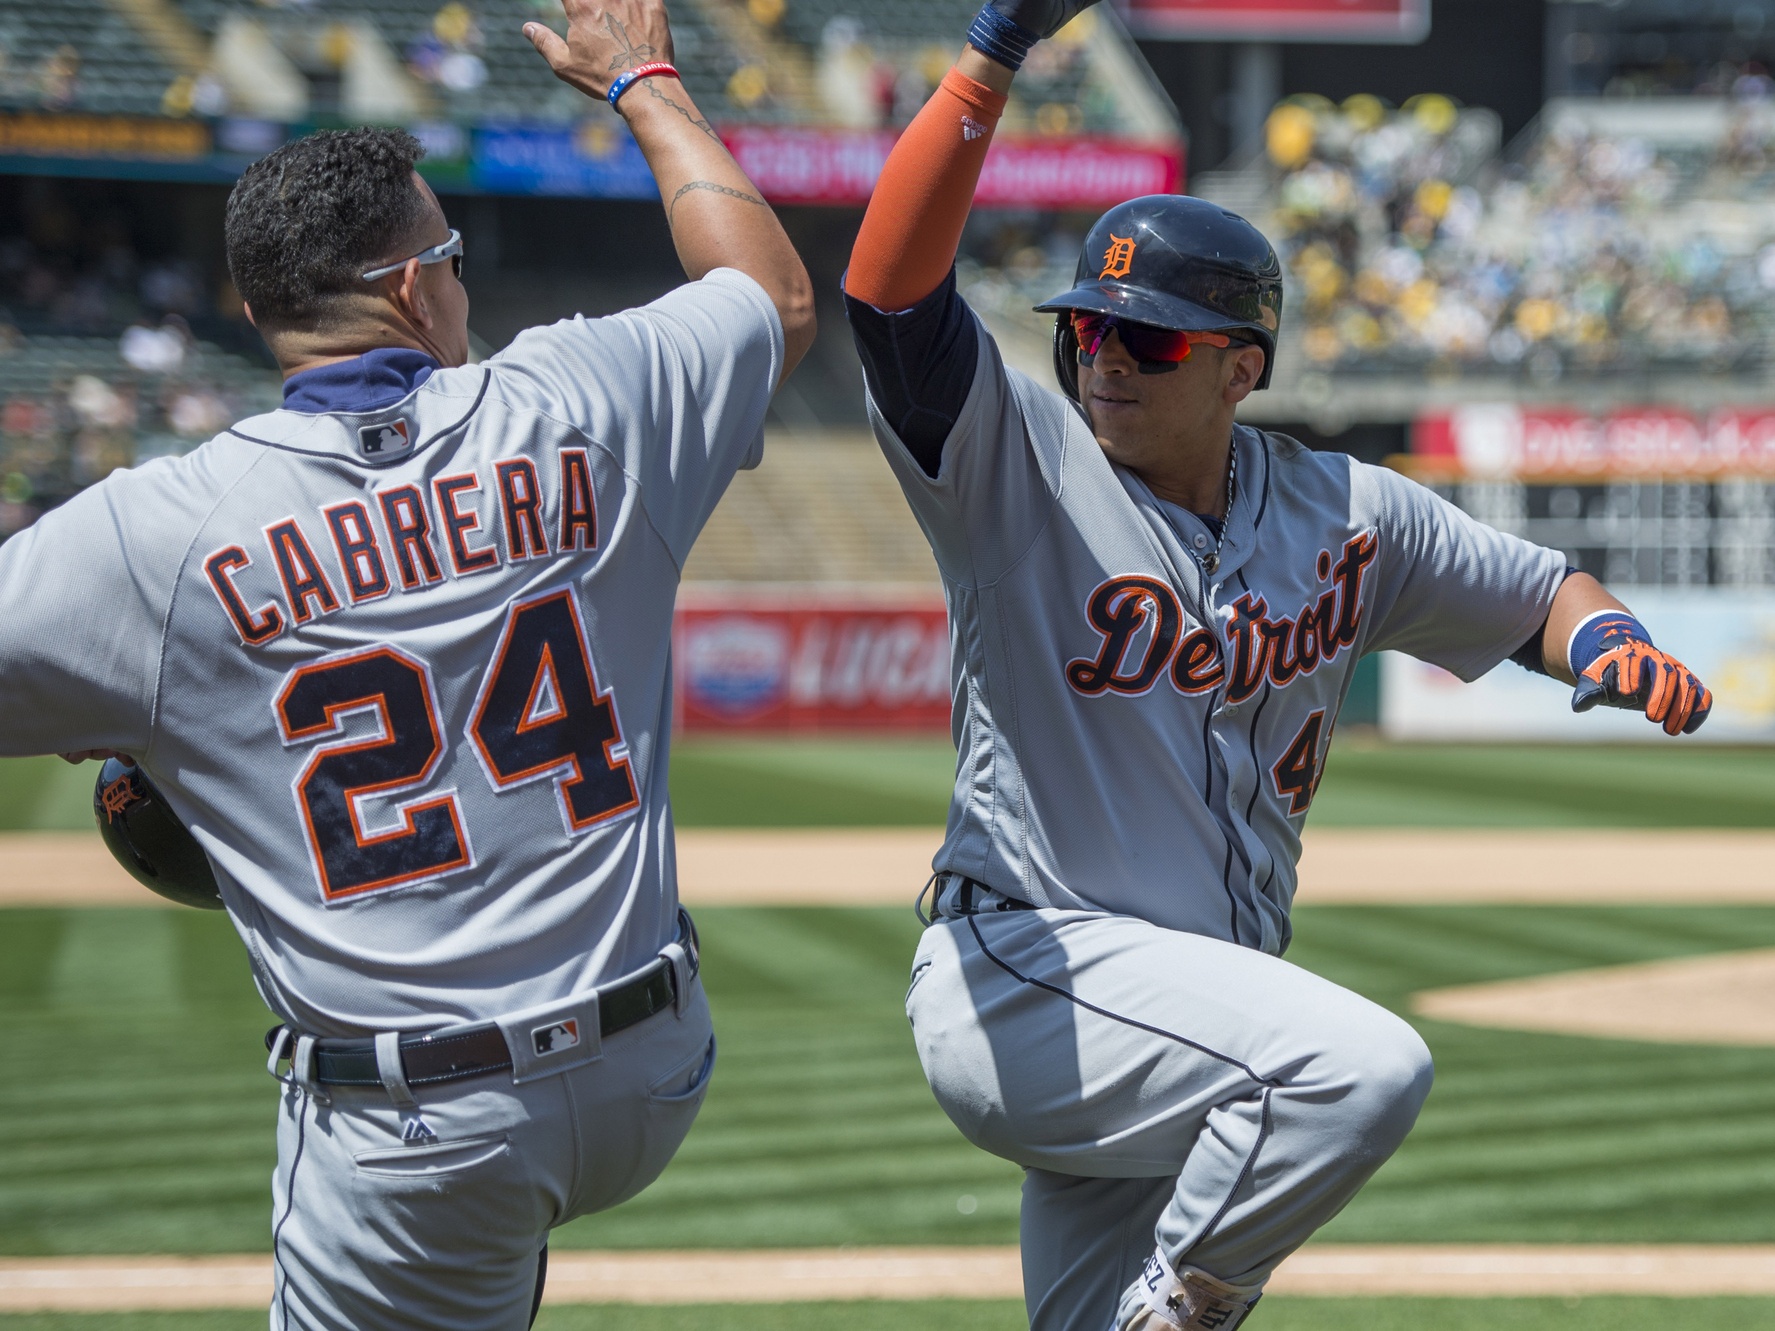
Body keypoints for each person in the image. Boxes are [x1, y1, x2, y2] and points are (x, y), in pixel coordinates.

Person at [841, 4, 1712, 1330]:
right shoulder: (1016, 464)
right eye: (1089, 330)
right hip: (1032, 978)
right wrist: (991, 58)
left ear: (1243, 366)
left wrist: (1611, 643)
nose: (1106, 359)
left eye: (1151, 339)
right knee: (1356, 1069)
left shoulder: (1349, 513)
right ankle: (1189, 1297)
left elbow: (1543, 593)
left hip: (1186, 1018)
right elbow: (891, 295)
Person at [5, 0, 813, 1325]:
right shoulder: (581, 399)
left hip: (422, 1128)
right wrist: (646, 83)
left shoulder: (150, 537)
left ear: (259, 308)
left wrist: (137, 707)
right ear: (406, 284)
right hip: (652, 1061)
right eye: (451, 255)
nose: (466, 284)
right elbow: (771, 294)